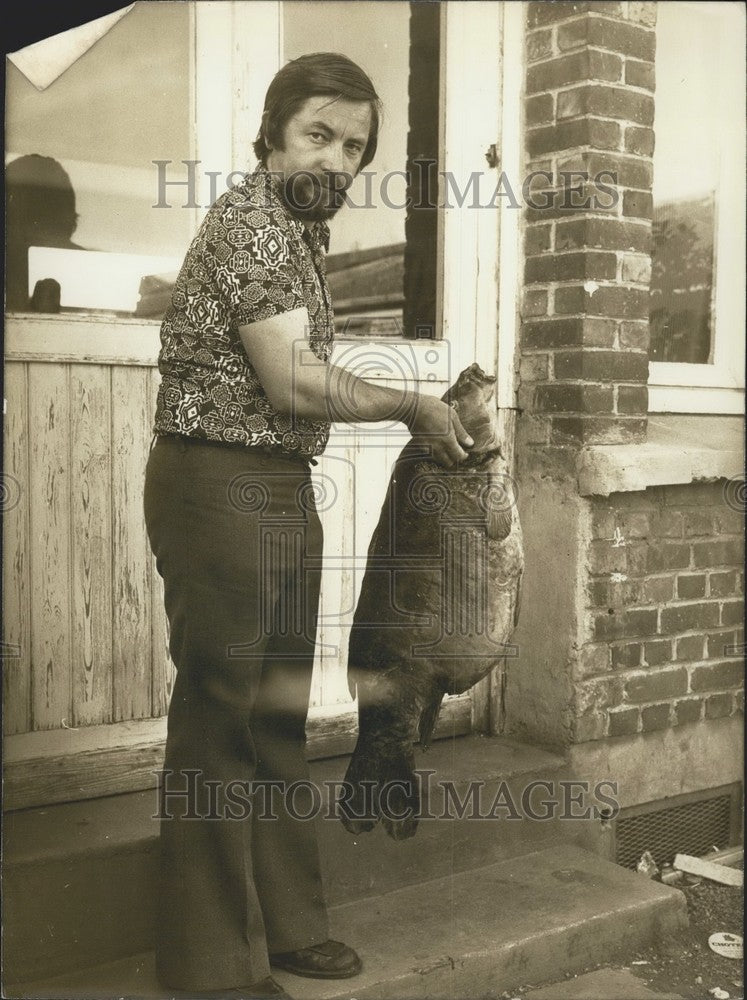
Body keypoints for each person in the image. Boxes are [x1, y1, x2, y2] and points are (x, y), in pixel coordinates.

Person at [143, 52, 472, 1000]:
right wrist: (412, 404)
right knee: (221, 717)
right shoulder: (253, 223)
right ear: (274, 134)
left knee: (279, 712)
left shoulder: (296, 232)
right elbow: (291, 380)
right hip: (218, 486)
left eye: (354, 145)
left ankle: (290, 928)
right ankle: (206, 967)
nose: (335, 158)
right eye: (317, 134)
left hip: (279, 484)